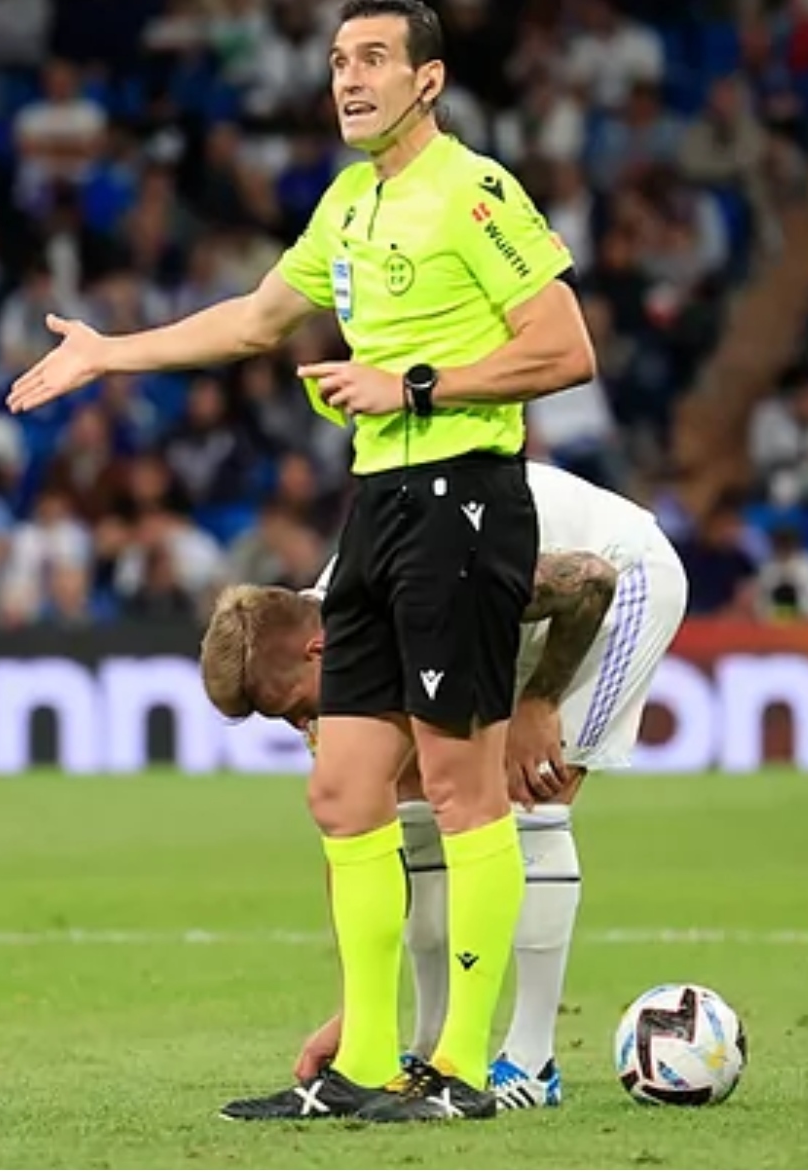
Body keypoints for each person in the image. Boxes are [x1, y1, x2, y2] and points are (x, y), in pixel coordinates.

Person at [8, 0, 595, 1122]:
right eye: (336, 60)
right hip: (376, 506)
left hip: (465, 494)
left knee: (466, 791)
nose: (349, 78)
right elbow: (252, 321)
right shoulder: (352, 201)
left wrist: (415, 384)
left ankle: (464, 1069)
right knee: (342, 788)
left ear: (429, 78)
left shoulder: (473, 192)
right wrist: (107, 355)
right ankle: (367, 1063)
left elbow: (565, 347)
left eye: (374, 58)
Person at [200, 460, 690, 1112]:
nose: (301, 725)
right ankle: (427, 1054)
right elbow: (358, 836)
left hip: (620, 581)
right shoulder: (328, 636)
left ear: (319, 651)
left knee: (532, 792)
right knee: (407, 800)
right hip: (502, 618)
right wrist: (355, 1010)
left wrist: (541, 700)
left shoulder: (420, 583)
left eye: (293, 708)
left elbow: (591, 581)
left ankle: (530, 1060)